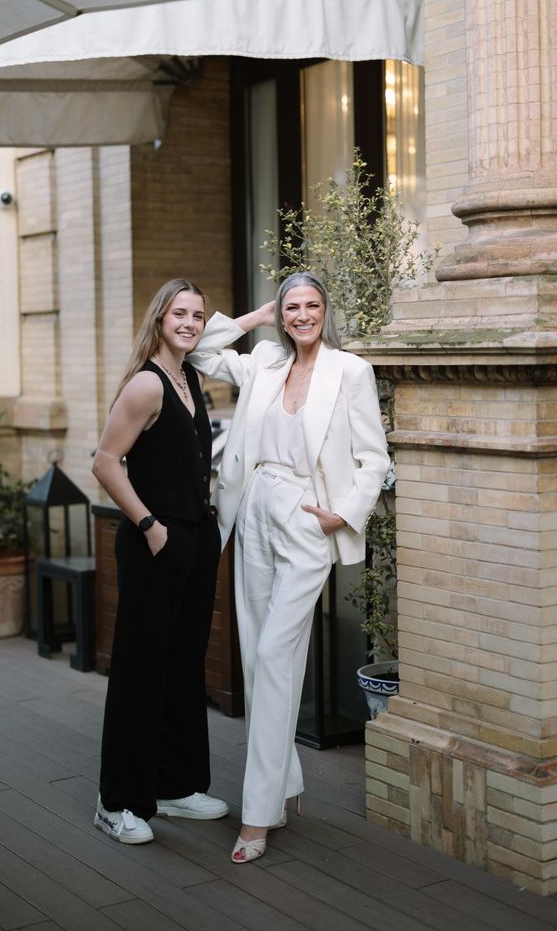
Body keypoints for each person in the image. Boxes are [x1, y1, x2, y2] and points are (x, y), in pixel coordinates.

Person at [189, 272, 390, 863]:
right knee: (258, 658)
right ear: (282, 313)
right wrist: (253, 319)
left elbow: (374, 457)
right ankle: (284, 782)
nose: (303, 315)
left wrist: (342, 515)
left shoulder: (349, 370)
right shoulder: (265, 363)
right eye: (292, 306)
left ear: (328, 311)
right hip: (254, 509)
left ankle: (257, 816)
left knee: (277, 653)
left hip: (307, 517)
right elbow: (198, 348)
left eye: (313, 305)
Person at [91, 278, 228, 845]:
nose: (191, 323)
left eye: (198, 315)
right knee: (140, 669)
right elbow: (104, 462)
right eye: (180, 314)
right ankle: (116, 800)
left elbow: (221, 334)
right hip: (156, 544)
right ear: (160, 318)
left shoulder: (191, 377)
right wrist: (150, 528)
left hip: (196, 541)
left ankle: (175, 786)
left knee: (181, 666)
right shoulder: (148, 384)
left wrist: (260, 315)